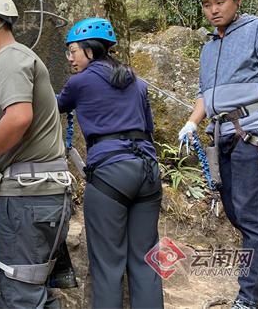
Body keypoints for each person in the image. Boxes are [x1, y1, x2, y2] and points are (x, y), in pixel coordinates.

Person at [178, 0, 258, 309]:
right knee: (243, 217)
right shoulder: (210, 47)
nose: (213, 9)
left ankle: (247, 301)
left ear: (237, 0)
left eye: (220, 1)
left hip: (253, 133)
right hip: (221, 136)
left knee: (253, 220)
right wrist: (191, 122)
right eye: (207, 4)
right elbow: (205, 94)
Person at [0, 0, 72, 309]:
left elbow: (19, 117)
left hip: (27, 201)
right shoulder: (6, 64)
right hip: (41, 198)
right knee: (38, 292)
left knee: (19, 297)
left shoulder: (11, 58)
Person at [57, 17, 164, 308]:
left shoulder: (80, 82)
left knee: (108, 266)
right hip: (148, 173)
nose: (70, 58)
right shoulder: (136, 81)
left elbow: (54, 106)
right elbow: (148, 128)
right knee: (146, 262)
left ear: (90, 50)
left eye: (73, 51)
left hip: (110, 174)